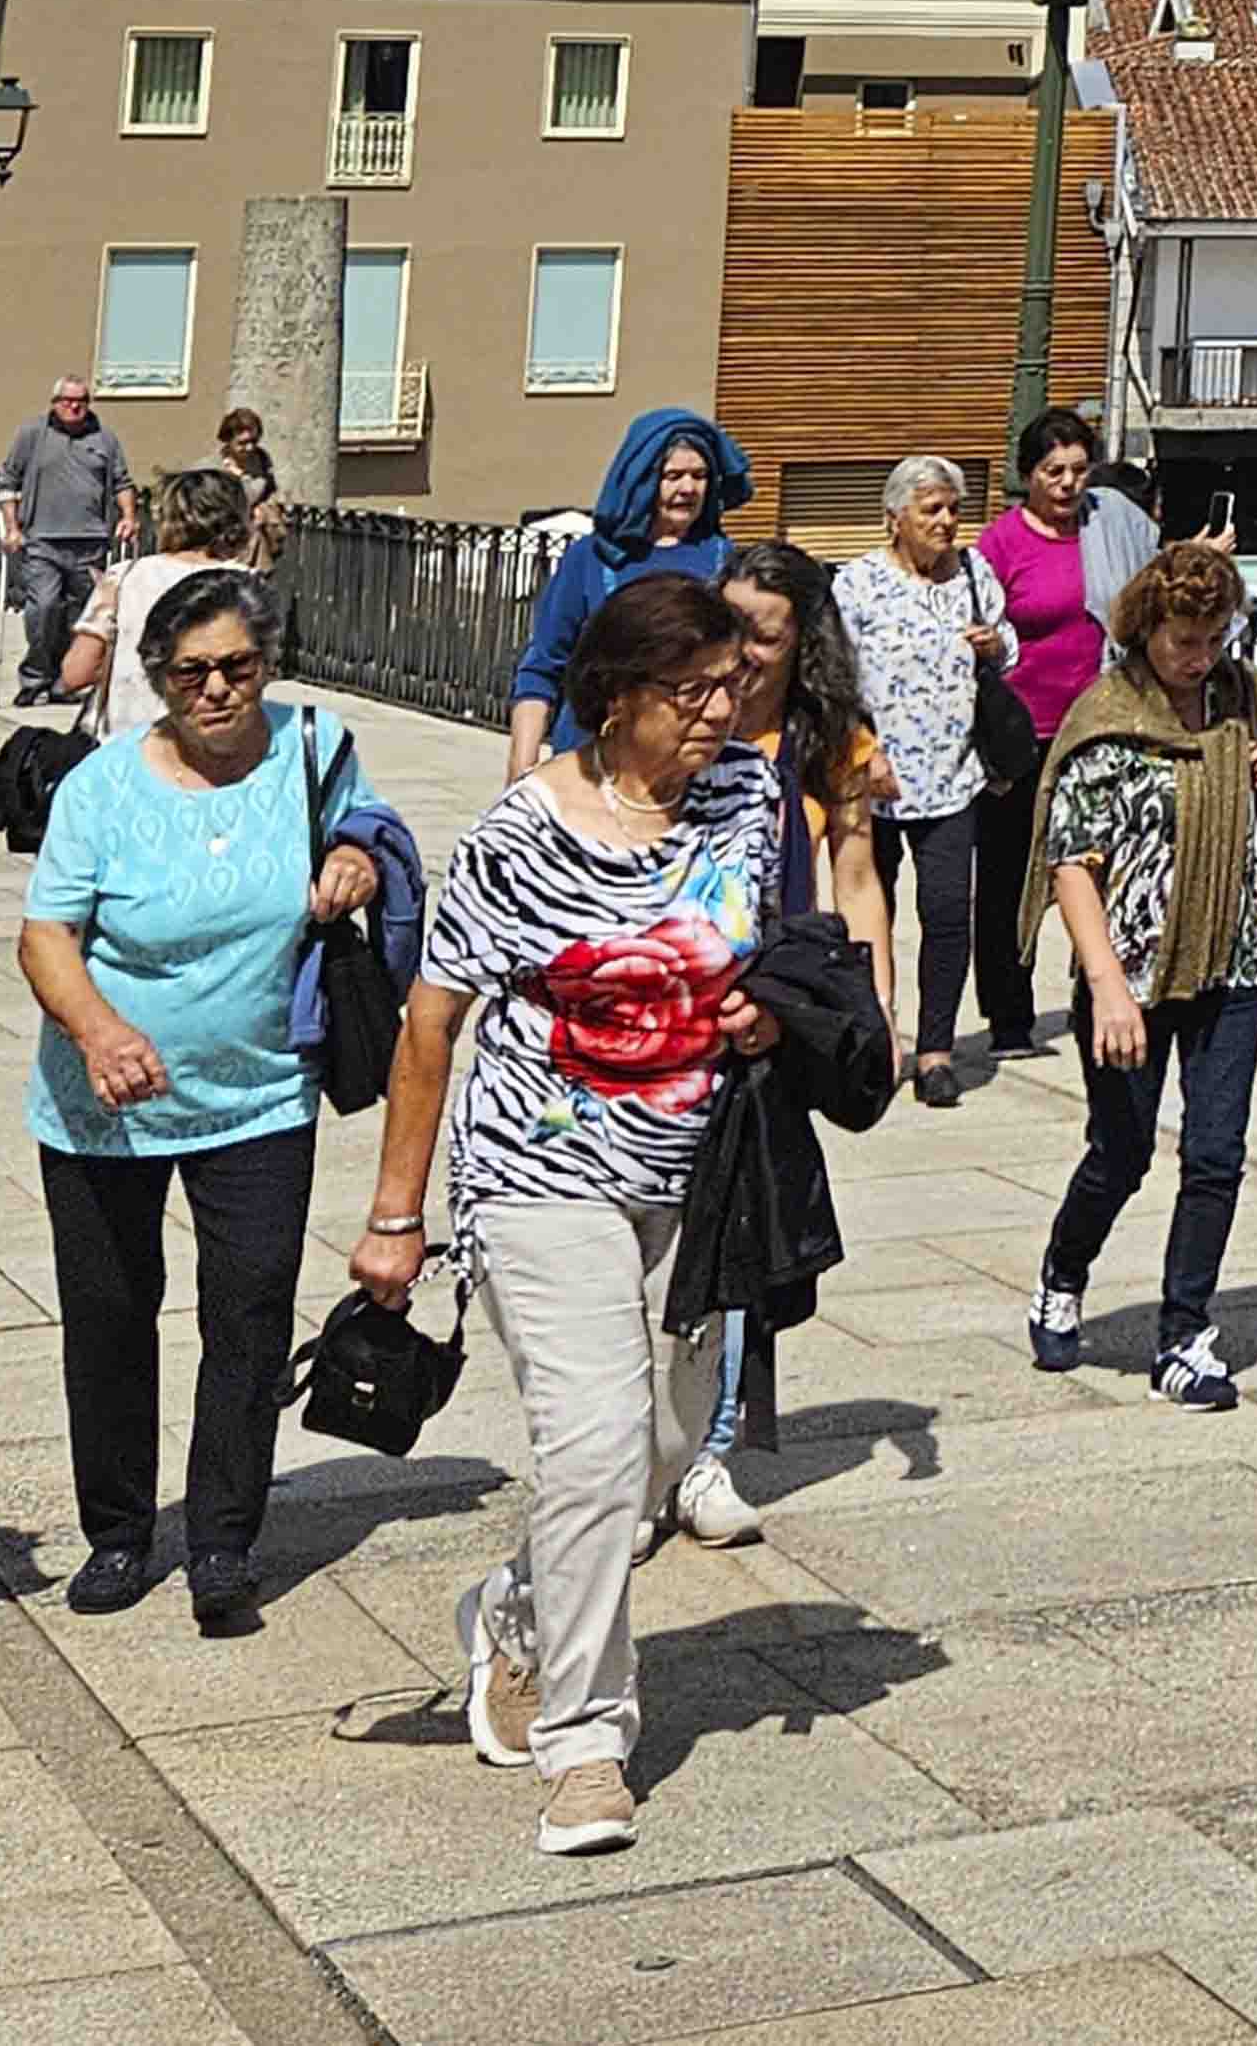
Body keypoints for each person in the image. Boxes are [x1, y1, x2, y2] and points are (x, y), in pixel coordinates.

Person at [349, 574, 783, 1858]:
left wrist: (759, 1010)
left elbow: (746, 948)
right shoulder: (518, 835)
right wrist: (394, 1212)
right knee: (594, 1440)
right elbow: (434, 1018)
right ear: (613, 694)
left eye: (731, 685)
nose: (718, 711)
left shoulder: (744, 796)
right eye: (690, 691)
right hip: (542, 1169)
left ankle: (522, 1610)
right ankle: (587, 1740)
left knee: (661, 1451)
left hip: (697, 1173)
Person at [16, 568, 381, 1636]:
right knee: (112, 1316)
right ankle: (119, 1531)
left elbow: (367, 823)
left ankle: (224, 1538)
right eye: (193, 672)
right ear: (157, 678)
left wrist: (355, 855)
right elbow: (45, 937)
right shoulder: (103, 788)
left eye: (240, 666)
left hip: (262, 1090)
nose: (219, 688)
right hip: (101, 1103)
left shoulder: (314, 744)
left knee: (252, 1313)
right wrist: (99, 1030)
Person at [1023, 542, 1257, 1409]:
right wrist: (1104, 984)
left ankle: (1185, 1333)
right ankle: (1063, 1273)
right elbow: (1071, 863)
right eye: (1186, 638)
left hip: (1235, 957)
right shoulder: (1108, 715)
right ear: (1147, 628)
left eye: (1215, 636)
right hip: (1131, 970)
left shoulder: (1238, 700)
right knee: (1124, 1150)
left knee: (1216, 1154)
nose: (1201, 654)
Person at [672, 540, 902, 1540]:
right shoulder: (674, 719)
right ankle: (645, 1452)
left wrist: (877, 1011)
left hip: (772, 1006)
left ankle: (708, 1454)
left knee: (744, 1223)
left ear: (801, 642)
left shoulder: (825, 740)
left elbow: (856, 876)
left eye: (761, 637)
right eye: (730, 630)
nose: (742, 655)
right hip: (669, 1007)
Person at [831, 455, 1013, 1107]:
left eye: (953, 509)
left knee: (945, 914)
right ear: (895, 517)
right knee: (863, 918)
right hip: (875, 779)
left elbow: (1006, 643)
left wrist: (996, 646)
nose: (945, 521)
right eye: (931, 509)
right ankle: (875, 1037)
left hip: (952, 775)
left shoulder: (973, 574)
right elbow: (833, 675)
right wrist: (863, 749)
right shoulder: (857, 584)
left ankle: (936, 1048)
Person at [969, 408, 1114, 1061]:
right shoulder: (999, 545)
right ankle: (1008, 1016)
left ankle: (1100, 997)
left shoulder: (1103, 533)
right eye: (1053, 471)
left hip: (1094, 729)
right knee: (1007, 879)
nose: (1067, 484)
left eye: (1079, 471)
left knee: (1100, 868)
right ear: (1028, 475)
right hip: (1021, 735)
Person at [506, 407, 749, 780]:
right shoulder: (590, 559)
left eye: (699, 476)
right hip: (593, 761)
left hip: (688, 767)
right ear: (642, 480)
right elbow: (543, 665)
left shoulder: (722, 561)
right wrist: (522, 765)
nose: (688, 488)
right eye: (673, 476)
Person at [56, 467, 260, 737]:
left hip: (126, 747)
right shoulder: (248, 586)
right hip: (217, 747)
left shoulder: (124, 578)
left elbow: (75, 674)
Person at [0, 377, 136, 706]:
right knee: (43, 608)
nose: (74, 406)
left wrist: (128, 516)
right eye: (67, 400)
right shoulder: (32, 434)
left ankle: (66, 680)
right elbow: (8, 480)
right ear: (54, 401)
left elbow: (121, 482)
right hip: (42, 540)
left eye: (82, 400)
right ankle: (35, 677)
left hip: (90, 543)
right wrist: (12, 527)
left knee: (81, 616)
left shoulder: (104, 438)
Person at [208, 406, 290, 563]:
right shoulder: (214, 468)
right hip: (226, 540)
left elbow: (270, 490)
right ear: (228, 440)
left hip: (259, 537)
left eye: (254, 441)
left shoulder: (262, 458)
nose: (250, 448)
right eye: (242, 443)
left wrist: (266, 508)